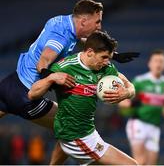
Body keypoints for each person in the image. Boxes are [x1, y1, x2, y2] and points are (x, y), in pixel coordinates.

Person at [28, 31, 137, 165]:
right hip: (76, 136)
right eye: (104, 57)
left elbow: (130, 86)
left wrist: (126, 93)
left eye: (109, 57)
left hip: (89, 132)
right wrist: (51, 77)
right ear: (90, 52)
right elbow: (32, 93)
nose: (106, 62)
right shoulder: (65, 68)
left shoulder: (105, 68)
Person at [0, 0, 103, 128]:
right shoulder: (61, 37)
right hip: (26, 96)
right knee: (74, 128)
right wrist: (54, 78)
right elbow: (42, 64)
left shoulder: (62, 21)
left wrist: (106, 51)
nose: (99, 26)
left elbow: (79, 36)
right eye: (97, 22)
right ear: (83, 21)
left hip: (11, 83)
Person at [119, 49, 164, 165]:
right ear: (149, 63)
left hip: (154, 126)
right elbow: (122, 102)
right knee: (140, 161)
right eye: (156, 61)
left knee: (151, 163)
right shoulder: (140, 82)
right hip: (138, 123)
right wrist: (132, 103)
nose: (158, 64)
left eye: (161, 61)